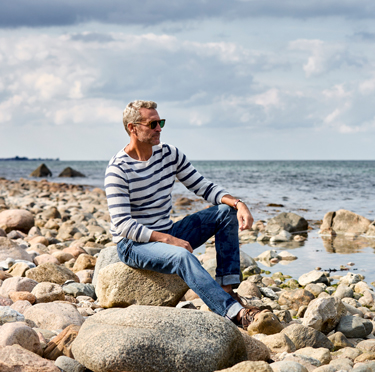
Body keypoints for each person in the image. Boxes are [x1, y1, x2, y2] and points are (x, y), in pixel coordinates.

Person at [105, 100, 266, 329]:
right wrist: (169, 241)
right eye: (152, 124)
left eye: (161, 122)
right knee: (182, 257)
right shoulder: (118, 169)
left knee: (224, 212)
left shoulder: (169, 154)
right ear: (133, 128)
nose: (159, 128)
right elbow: (123, 225)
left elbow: (203, 187)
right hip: (133, 245)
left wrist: (239, 203)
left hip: (167, 231)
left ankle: (227, 290)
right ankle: (236, 314)